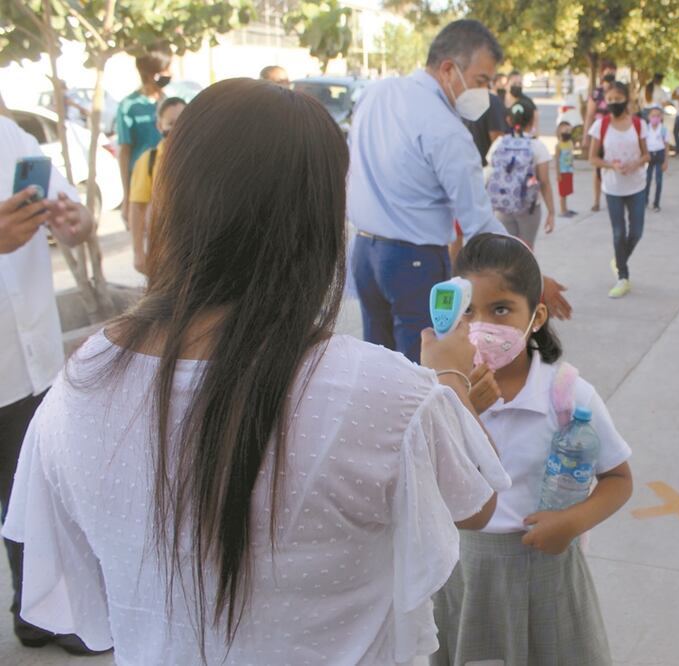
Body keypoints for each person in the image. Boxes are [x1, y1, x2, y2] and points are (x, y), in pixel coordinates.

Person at [2, 78, 511, 664]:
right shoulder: (390, 395)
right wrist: (449, 384)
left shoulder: (83, 380)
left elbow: (80, 579)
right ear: (319, 220)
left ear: (173, 201)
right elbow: (475, 506)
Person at [431, 233, 633, 666]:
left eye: (500, 309)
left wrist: (572, 522)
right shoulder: (438, 393)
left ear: (536, 316)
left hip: (546, 571)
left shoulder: (568, 397)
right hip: (464, 575)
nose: (481, 324)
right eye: (467, 311)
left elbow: (619, 478)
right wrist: (462, 408)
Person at [346, 19, 571, 364]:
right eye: (481, 81)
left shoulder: (377, 93)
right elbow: (479, 223)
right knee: (423, 369)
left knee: (379, 364)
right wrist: (535, 279)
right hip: (413, 261)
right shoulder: (445, 128)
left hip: (364, 253)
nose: (485, 93)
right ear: (449, 69)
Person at [0, 114, 96, 655]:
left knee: (36, 494)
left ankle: (41, 613)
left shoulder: (11, 136)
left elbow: (73, 220)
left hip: (28, 359)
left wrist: (73, 218)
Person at [588, 81, 648, 299]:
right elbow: (592, 158)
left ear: (626, 99)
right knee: (618, 232)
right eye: (610, 100)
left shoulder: (639, 124)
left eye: (617, 99)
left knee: (637, 231)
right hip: (612, 187)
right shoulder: (600, 125)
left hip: (637, 185)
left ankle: (619, 258)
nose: (613, 103)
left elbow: (647, 154)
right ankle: (623, 277)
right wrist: (611, 165)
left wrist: (636, 164)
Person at [127, 96, 186, 275]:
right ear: (160, 126)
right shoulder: (148, 162)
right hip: (165, 253)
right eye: (171, 123)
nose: (177, 129)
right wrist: (138, 253)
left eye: (182, 121)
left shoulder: (203, 158)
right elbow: (137, 208)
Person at [485, 101, 555, 248]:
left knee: (507, 251)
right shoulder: (537, 146)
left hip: (502, 206)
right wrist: (551, 212)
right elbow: (544, 182)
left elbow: (490, 172)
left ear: (509, 120)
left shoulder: (499, 143)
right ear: (531, 121)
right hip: (528, 208)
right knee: (526, 251)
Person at [117, 45, 172, 226]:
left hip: (169, 181)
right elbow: (125, 151)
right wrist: (127, 197)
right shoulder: (129, 106)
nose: (170, 73)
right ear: (150, 73)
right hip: (142, 186)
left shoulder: (171, 103)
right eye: (165, 69)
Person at [583, 60, 616, 212]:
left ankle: (613, 198)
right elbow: (590, 115)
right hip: (599, 134)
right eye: (607, 71)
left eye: (612, 71)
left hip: (615, 134)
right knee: (597, 169)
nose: (610, 74)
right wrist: (586, 137)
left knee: (613, 166)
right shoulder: (596, 94)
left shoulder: (618, 91)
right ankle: (596, 200)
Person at [465, 77, 508, 167]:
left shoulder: (462, 101)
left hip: (478, 167)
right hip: (484, 169)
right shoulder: (493, 101)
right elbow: (498, 142)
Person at [644, 106, 669, 212]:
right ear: (649, 117)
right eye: (653, 116)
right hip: (649, 154)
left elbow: (666, 145)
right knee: (647, 180)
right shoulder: (646, 128)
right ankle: (645, 201)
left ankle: (656, 203)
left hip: (659, 154)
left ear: (661, 117)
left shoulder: (663, 130)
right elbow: (643, 143)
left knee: (658, 181)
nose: (655, 118)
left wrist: (666, 161)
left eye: (658, 116)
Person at [556, 120, 577, 218]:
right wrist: (558, 174)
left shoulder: (570, 143)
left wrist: (572, 166)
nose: (567, 133)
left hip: (569, 170)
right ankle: (562, 210)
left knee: (567, 191)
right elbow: (556, 161)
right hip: (562, 171)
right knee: (562, 193)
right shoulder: (558, 145)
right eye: (565, 131)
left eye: (569, 131)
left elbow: (571, 155)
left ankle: (566, 209)